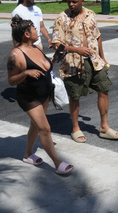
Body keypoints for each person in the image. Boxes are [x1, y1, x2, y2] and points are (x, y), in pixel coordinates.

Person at [51, 0, 118, 143]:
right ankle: (75, 128)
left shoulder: (91, 14)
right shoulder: (61, 18)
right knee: (75, 96)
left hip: (95, 62)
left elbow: (97, 36)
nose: (71, 5)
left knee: (104, 89)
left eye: (74, 2)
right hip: (72, 64)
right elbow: (57, 45)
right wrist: (77, 50)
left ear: (82, 1)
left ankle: (104, 127)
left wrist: (103, 58)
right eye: (69, 2)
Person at [7, 15, 74, 175]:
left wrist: (57, 57)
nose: (38, 30)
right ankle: (58, 163)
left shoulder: (37, 48)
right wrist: (25, 73)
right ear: (26, 34)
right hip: (29, 98)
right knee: (45, 128)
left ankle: (27, 154)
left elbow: (46, 67)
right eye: (34, 28)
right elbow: (11, 81)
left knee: (35, 126)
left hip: (44, 94)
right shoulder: (15, 55)